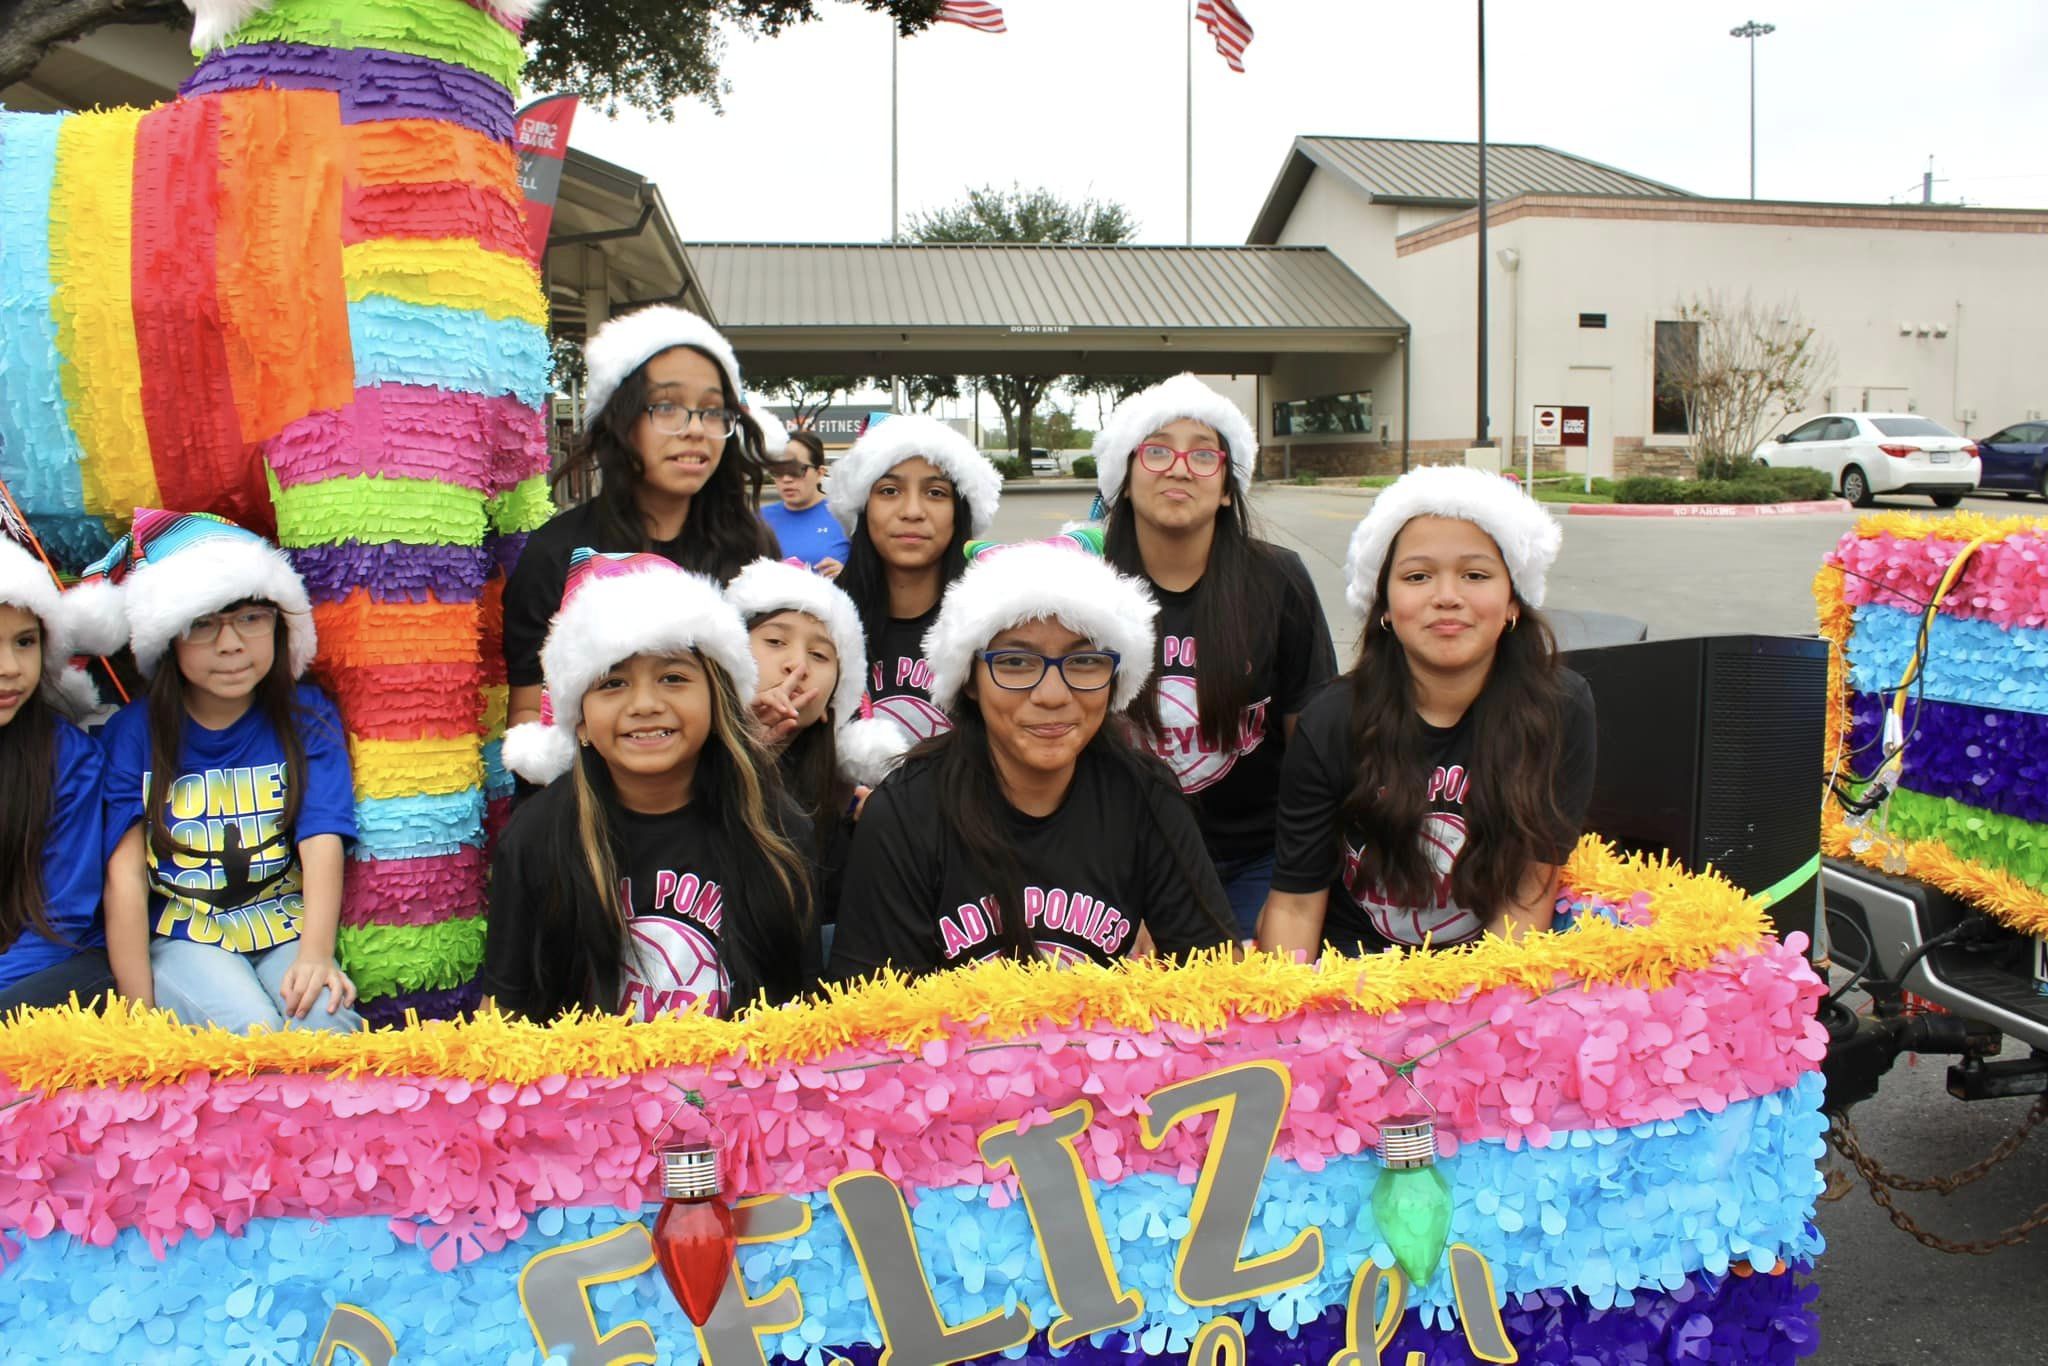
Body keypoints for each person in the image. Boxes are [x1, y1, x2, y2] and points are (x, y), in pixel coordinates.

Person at [830, 535, 1235, 980]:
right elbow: (870, 1022)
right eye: (1016, 663)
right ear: (969, 678)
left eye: (1085, 663)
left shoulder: (1147, 796)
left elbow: (1216, 982)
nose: (1052, 696)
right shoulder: (904, 814)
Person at [1256, 466, 1597, 956]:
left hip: (1479, 972)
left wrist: (1480, 1016)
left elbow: (1528, 892)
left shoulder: (1559, 709)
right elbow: (1296, 904)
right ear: (1386, 608)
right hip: (1352, 972)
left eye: (1475, 575)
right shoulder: (1330, 721)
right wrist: (1287, 1019)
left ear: (1513, 603)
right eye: (1418, 576)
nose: (1447, 597)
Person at [488, 550, 818, 1022]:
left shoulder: (778, 830)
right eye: (612, 683)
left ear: (718, 699)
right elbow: (506, 1016)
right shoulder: (535, 838)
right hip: (585, 1090)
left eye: (672, 677)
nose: (645, 704)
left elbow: (803, 1011)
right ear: (579, 721)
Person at [96, 510, 362, 1032]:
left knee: (324, 1030)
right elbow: (124, 876)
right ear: (168, 638)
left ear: (279, 623)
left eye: (250, 618)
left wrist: (315, 954)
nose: (231, 644)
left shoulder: (307, 716)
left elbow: (322, 836)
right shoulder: (132, 733)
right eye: (202, 624)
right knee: (252, 1030)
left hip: (287, 931)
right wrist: (138, 1013)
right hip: (184, 939)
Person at [1094, 374, 1336, 936]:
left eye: (1204, 455)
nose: (1179, 468)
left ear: (1228, 486)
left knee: (1255, 1009)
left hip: (1259, 857)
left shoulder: (1278, 580)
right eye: (1157, 451)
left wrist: (1304, 878)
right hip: (1123, 857)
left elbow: (1314, 738)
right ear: (1125, 480)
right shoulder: (1085, 584)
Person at [504, 306, 779, 730]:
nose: (695, 429)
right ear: (621, 419)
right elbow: (527, 714)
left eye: (712, 410)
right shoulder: (556, 552)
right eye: (666, 406)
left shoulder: (753, 548)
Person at [826, 414, 1004, 785]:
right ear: (863, 507)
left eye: (935, 492)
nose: (912, 511)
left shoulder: (994, 625)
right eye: (889, 491)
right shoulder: (820, 623)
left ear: (960, 512)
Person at [0, 538, 114, 1011]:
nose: (9, 669)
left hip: (56, 966)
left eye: (24, 642)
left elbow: (61, 920)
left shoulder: (68, 758)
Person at [725, 556, 869, 930]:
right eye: (775, 641)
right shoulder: (677, 765)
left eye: (820, 655)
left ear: (830, 704)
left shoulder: (842, 806)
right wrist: (746, 753)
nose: (797, 666)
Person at [759, 430, 851, 577]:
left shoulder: (846, 517)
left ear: (820, 473)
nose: (786, 479)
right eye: (778, 471)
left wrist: (847, 575)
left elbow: (871, 574)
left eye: (796, 470)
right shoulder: (759, 519)